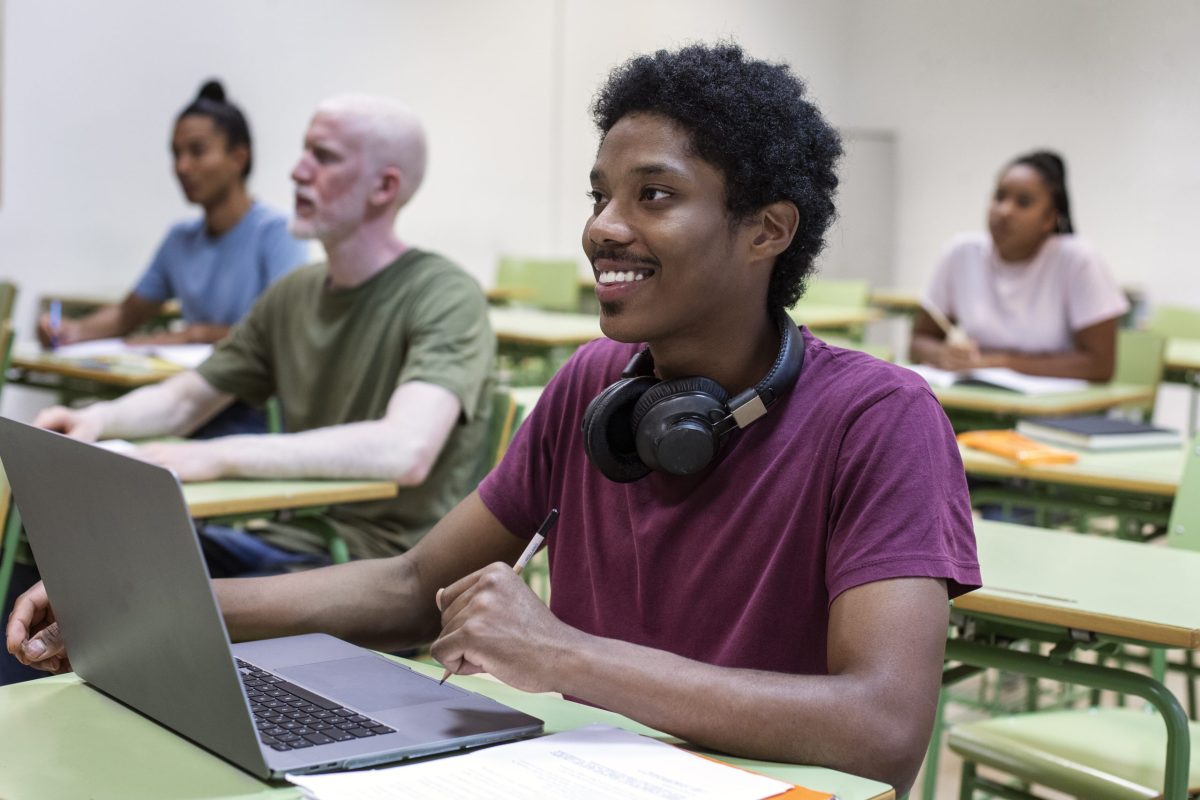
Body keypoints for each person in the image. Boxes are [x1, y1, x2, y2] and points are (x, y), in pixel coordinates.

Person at [8, 45, 977, 794]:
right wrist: (136, 606)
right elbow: (408, 586)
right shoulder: (594, 386)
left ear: (767, 228)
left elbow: (883, 724)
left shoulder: (881, 420)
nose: (603, 225)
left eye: (655, 196)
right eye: (601, 194)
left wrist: (564, 656)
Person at [26, 94, 495, 567]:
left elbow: (405, 449)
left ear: (384, 187)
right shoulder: (293, 294)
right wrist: (96, 421)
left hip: (388, 566)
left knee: (126, 574)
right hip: (293, 538)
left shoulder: (446, 295)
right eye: (304, 151)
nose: (298, 171)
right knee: (68, 556)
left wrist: (220, 456)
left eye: (324, 156)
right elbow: (187, 399)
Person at [37, 80, 308, 350]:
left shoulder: (279, 233)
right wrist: (72, 330)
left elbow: (285, 330)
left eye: (197, 151)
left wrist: (196, 335)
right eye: (176, 154)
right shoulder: (180, 240)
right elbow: (127, 314)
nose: (182, 167)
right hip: (193, 385)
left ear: (239, 157)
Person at [910, 150, 1129, 381]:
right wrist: (944, 354)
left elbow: (1100, 366)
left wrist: (1003, 363)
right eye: (999, 196)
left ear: (1049, 219)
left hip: (1058, 411)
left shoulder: (1078, 259)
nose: (1004, 211)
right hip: (981, 399)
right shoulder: (961, 252)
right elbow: (918, 341)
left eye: (1023, 203)